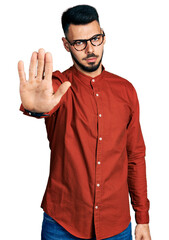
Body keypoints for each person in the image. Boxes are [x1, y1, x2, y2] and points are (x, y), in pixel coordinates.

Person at [18, 4, 151, 240]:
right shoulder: (58, 85)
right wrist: (35, 108)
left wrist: (142, 218)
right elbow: (45, 101)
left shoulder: (126, 91)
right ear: (66, 44)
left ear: (104, 37)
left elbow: (135, 157)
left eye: (95, 39)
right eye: (79, 43)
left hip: (116, 225)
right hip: (62, 223)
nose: (90, 49)